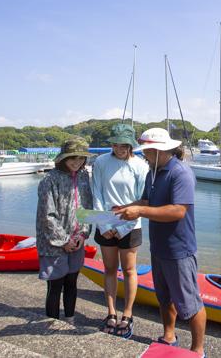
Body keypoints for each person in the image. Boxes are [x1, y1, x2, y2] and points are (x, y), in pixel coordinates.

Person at [114, 128, 206, 356]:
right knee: (164, 297)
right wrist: (126, 207)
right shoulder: (152, 172)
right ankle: (169, 335)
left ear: (157, 150)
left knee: (190, 303)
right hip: (159, 247)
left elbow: (178, 211)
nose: (144, 155)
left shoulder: (180, 173)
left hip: (179, 249)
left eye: (146, 151)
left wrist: (140, 211)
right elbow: (147, 200)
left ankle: (198, 350)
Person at [91, 123, 149, 338]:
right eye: (116, 144)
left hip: (131, 224)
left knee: (129, 270)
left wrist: (124, 226)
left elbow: (143, 200)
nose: (120, 148)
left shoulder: (140, 165)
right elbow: (97, 193)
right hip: (105, 221)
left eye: (124, 144)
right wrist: (104, 225)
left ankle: (128, 313)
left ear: (131, 144)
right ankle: (111, 312)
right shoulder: (101, 162)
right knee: (109, 269)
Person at [36, 137, 93, 323]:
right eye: (72, 158)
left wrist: (83, 234)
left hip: (77, 240)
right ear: (63, 158)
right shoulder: (49, 180)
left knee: (72, 282)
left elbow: (86, 206)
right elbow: (47, 215)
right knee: (55, 285)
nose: (77, 162)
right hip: (54, 243)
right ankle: (51, 321)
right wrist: (64, 241)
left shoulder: (84, 176)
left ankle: (70, 319)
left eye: (81, 158)